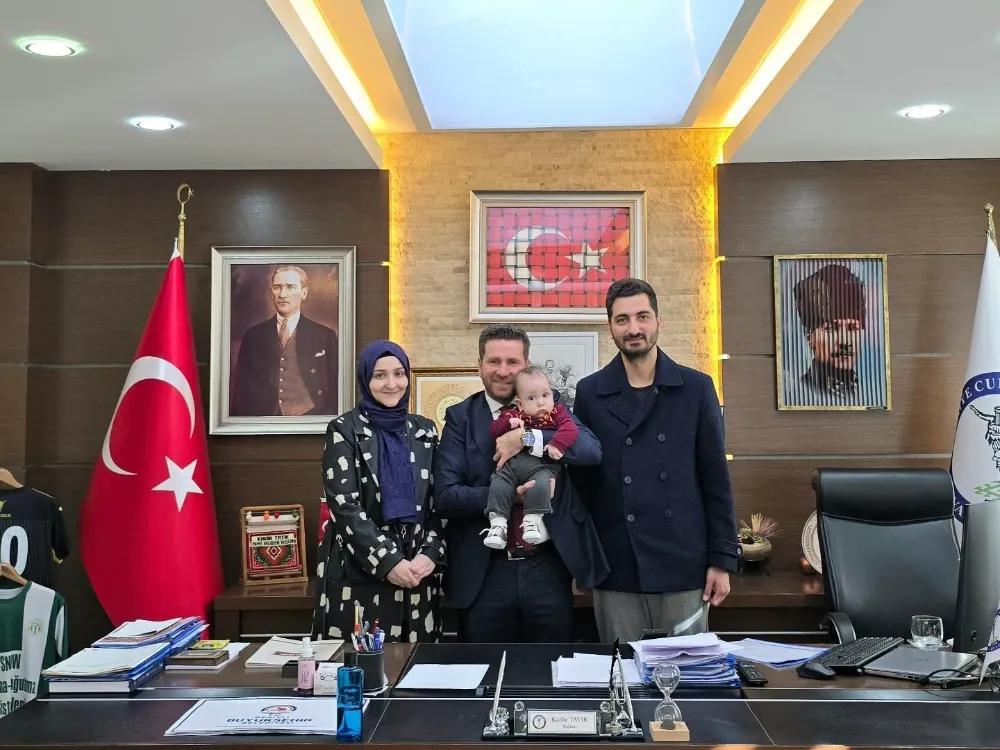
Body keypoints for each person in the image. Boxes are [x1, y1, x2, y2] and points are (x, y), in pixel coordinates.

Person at [572, 279, 739, 644]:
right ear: (610, 327)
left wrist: (722, 559)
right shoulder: (590, 392)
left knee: (685, 670)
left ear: (659, 321)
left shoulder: (696, 388)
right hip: (615, 563)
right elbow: (582, 486)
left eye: (642, 316)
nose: (633, 328)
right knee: (622, 670)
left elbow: (716, 479)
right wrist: (583, 561)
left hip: (684, 560)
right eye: (622, 319)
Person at [433, 324, 609, 643]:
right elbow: (446, 496)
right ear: (479, 365)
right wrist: (510, 497)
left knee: (551, 668)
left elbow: (590, 451)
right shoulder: (460, 417)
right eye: (494, 361)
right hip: (483, 572)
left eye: (512, 362)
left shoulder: (550, 408)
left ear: (526, 365)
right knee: (484, 669)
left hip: (547, 568)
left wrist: (529, 438)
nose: (503, 371)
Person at [312, 340, 445, 644]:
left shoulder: (424, 430)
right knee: (361, 665)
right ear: (365, 379)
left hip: (418, 576)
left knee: (417, 667)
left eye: (399, 374)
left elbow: (439, 502)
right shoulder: (344, 429)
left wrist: (430, 553)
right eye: (380, 375)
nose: (391, 384)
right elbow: (344, 507)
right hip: (359, 574)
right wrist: (389, 562)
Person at [484, 366, 579, 548]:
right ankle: (497, 524)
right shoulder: (513, 414)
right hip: (510, 468)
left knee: (542, 484)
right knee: (498, 484)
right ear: (520, 404)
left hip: (542, 466)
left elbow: (571, 429)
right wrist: (508, 423)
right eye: (532, 398)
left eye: (545, 395)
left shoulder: (558, 413)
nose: (541, 403)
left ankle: (532, 520)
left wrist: (557, 444)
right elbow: (494, 429)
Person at [231, 266, 339, 417]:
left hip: (311, 418)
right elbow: (241, 391)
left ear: (304, 293)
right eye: (277, 287)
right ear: (272, 293)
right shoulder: (253, 335)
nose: (282, 294)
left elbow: (335, 388)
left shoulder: (325, 336)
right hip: (263, 421)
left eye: (290, 287)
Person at [790, 263, 867, 405]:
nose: (844, 341)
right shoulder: (800, 394)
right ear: (810, 338)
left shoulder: (864, 393)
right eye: (831, 329)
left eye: (852, 328)